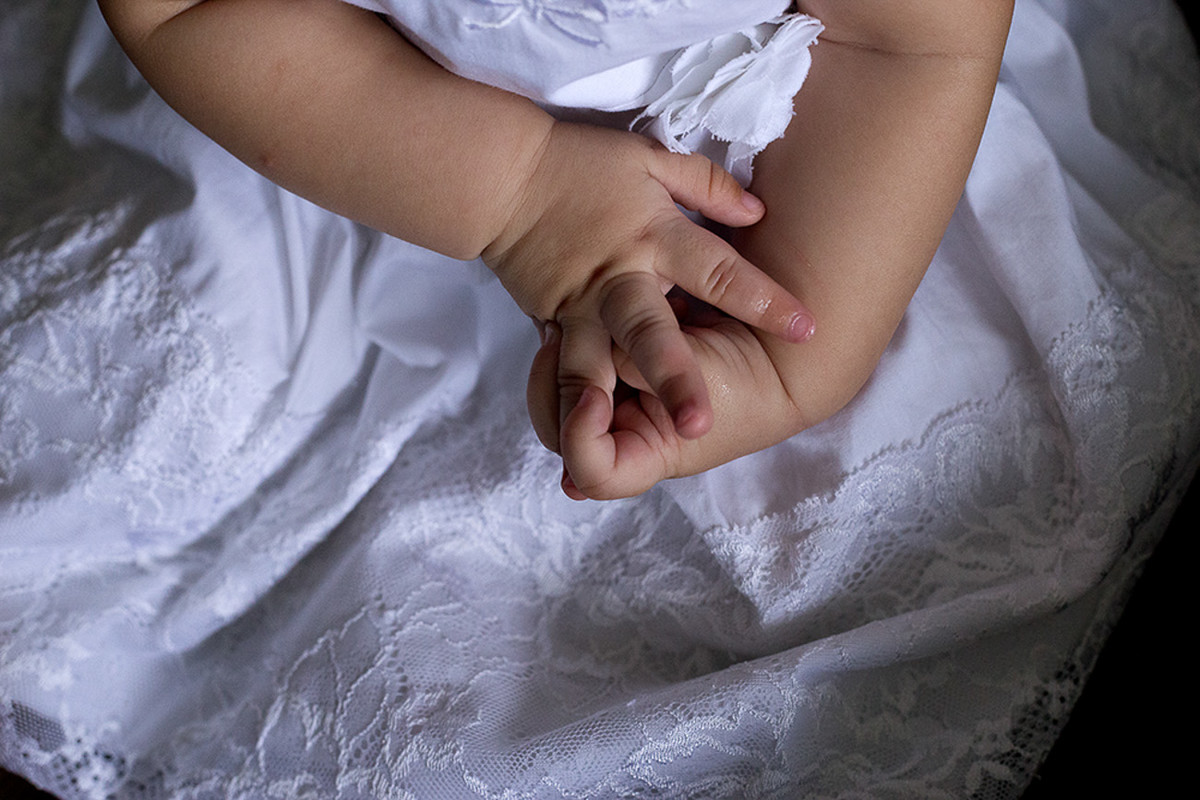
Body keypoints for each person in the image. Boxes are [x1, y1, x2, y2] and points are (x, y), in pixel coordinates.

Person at [95, 0, 1014, 499]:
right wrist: (520, 193)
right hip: (360, 129)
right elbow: (179, 11)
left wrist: (781, 364)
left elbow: (907, 45)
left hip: (784, 151)